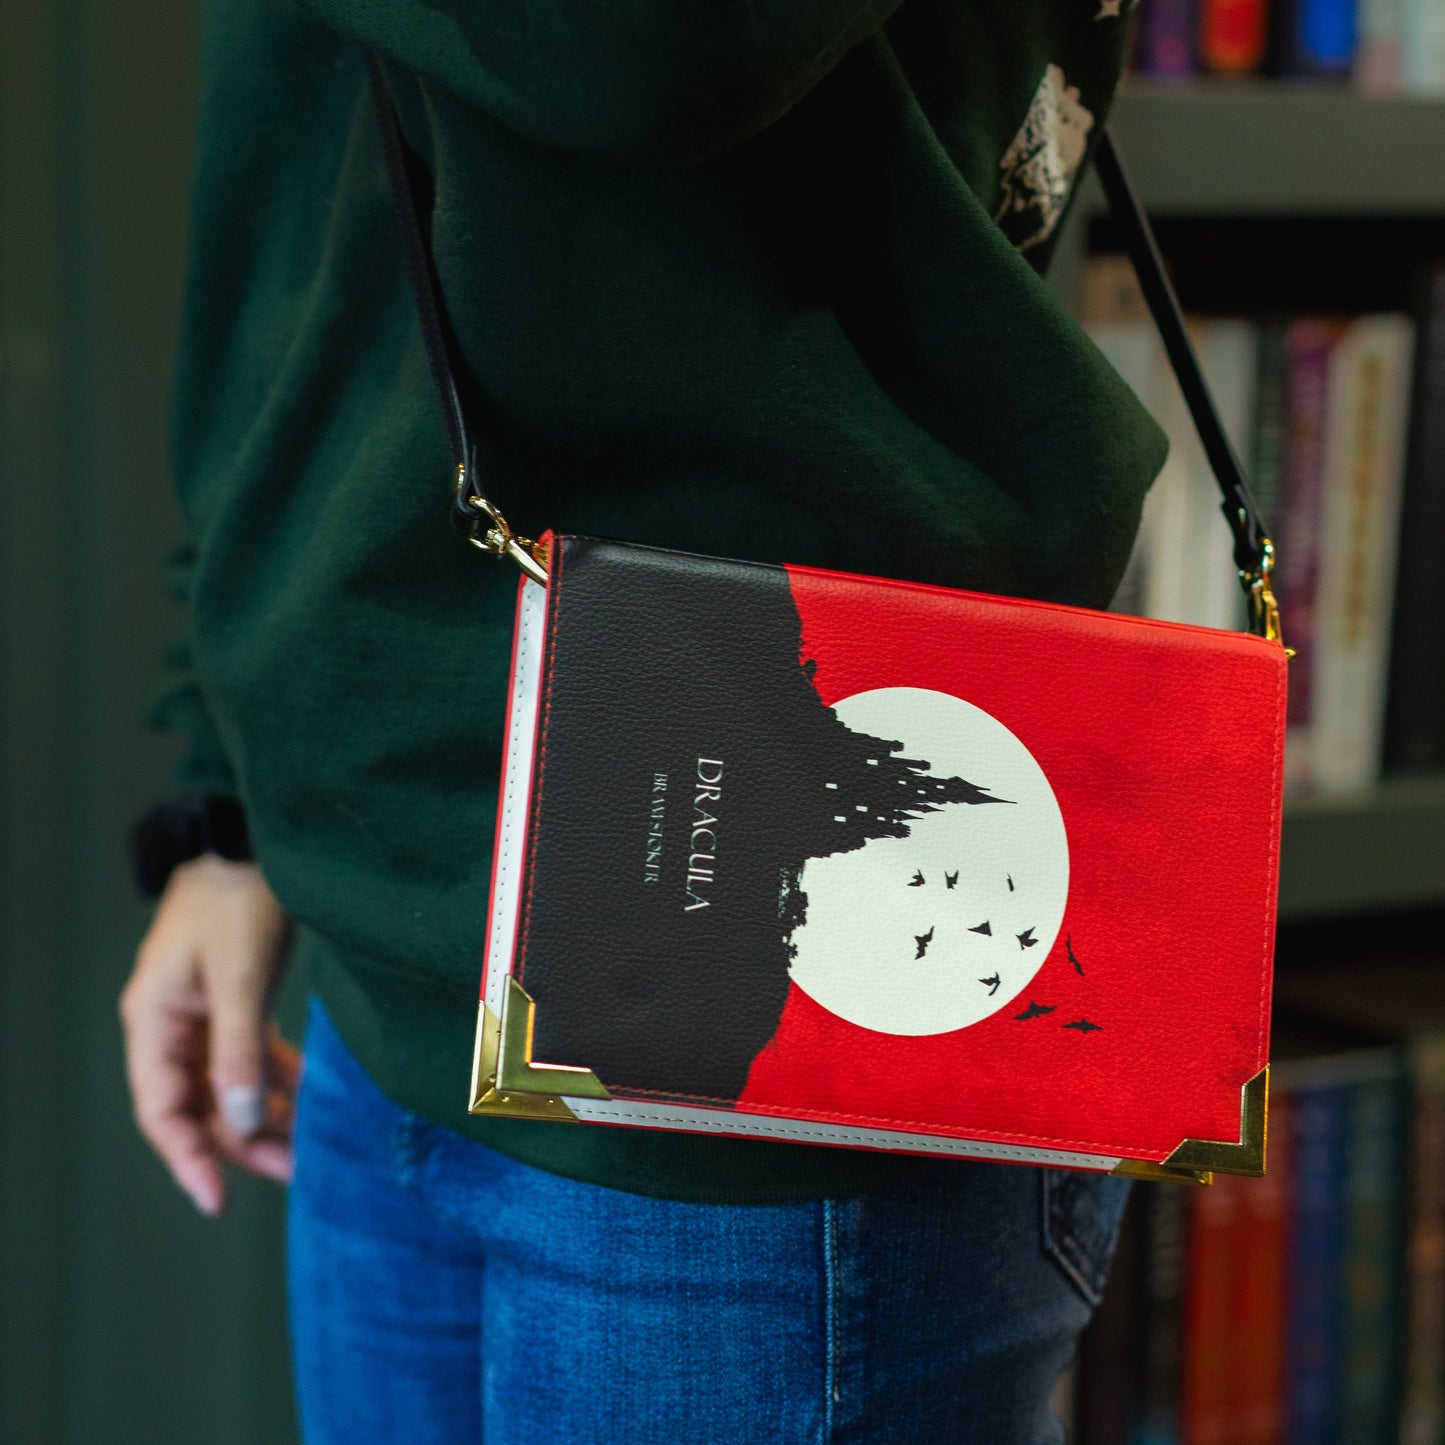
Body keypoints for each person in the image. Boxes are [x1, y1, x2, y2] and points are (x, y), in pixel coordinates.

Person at [120, 2, 1168, 1441]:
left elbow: (643, 51)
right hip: (400, 920)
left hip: (762, 1025)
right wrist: (224, 799)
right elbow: (300, 205)